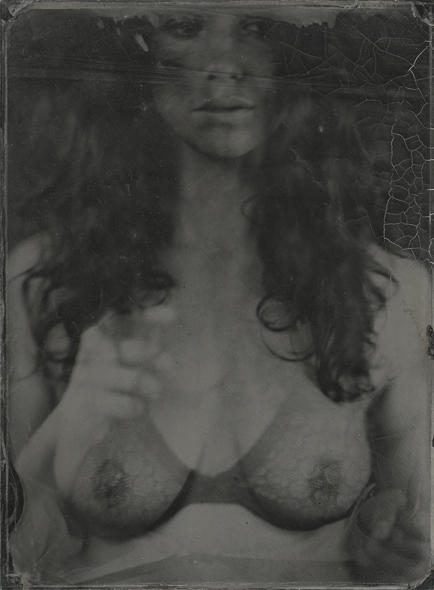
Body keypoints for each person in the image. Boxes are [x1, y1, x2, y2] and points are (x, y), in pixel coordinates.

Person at [7, 6, 431, 586]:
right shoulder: (43, 278)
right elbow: (24, 552)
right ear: (137, 51)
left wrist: (388, 543)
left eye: (257, 28)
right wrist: (72, 421)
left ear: (301, 50)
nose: (224, 64)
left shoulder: (389, 291)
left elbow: (413, 539)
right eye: (185, 26)